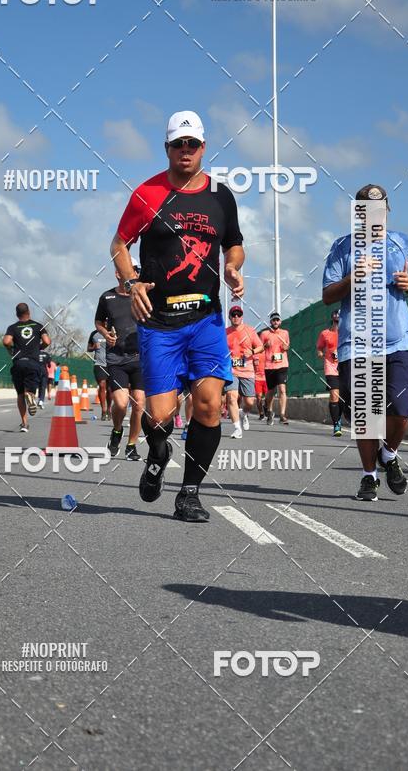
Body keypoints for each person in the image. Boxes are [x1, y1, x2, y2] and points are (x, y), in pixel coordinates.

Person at [110, 110, 244, 522]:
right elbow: (119, 244)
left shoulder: (222, 195)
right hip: (159, 321)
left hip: (205, 319)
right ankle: (157, 453)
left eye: (192, 144)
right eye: (177, 144)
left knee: (208, 406)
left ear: (204, 147)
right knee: (160, 418)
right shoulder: (146, 194)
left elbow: (234, 243)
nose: (185, 151)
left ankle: (189, 493)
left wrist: (233, 267)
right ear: (167, 148)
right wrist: (133, 283)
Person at [323, 183, 408, 501]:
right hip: (357, 344)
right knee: (366, 417)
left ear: (387, 211)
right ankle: (369, 477)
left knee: (401, 411)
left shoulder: (401, 242)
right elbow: (327, 296)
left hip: (397, 342)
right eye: (366, 211)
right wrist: (354, 278)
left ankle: (389, 455)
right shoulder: (342, 247)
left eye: (379, 211)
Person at [94, 268, 144, 460]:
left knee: (139, 403)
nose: (135, 275)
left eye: (137, 271)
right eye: (131, 271)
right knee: (121, 404)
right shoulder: (107, 297)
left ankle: (131, 445)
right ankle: (116, 431)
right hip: (116, 359)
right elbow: (99, 321)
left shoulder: (141, 296)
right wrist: (105, 334)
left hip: (139, 358)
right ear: (117, 273)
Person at [3, 303, 51, 432]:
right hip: (33, 362)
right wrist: (38, 348)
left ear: (17, 314)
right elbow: (47, 341)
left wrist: (11, 351)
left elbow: (6, 341)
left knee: (19, 394)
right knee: (29, 390)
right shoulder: (38, 326)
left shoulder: (13, 327)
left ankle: (24, 423)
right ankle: (30, 396)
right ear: (29, 312)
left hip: (18, 362)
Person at [225, 305, 262, 438]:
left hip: (247, 370)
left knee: (249, 402)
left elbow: (260, 347)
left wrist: (251, 351)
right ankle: (237, 428)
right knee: (231, 397)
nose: (236, 317)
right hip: (231, 370)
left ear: (242, 317)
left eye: (238, 315)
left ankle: (244, 414)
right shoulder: (225, 332)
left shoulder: (249, 331)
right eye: (233, 315)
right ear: (229, 317)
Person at [261, 312, 290, 425]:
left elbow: (287, 345)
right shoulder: (264, 334)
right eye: (274, 320)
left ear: (280, 321)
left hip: (282, 364)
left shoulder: (285, 333)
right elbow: (259, 348)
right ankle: (268, 409)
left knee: (282, 389)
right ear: (270, 322)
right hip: (269, 365)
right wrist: (265, 346)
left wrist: (285, 347)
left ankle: (282, 414)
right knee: (271, 391)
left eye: (277, 320)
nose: (276, 322)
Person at [317, 309, 343, 436]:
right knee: (334, 395)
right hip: (330, 367)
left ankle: (342, 417)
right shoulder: (325, 333)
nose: (337, 316)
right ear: (332, 317)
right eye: (335, 314)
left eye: (340, 314)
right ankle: (336, 424)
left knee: (344, 397)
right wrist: (321, 354)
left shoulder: (348, 332)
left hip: (345, 367)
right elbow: (319, 348)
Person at [87, 329, 112, 421]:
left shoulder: (113, 332)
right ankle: (103, 410)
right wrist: (93, 347)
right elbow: (88, 349)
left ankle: (109, 409)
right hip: (99, 364)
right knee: (102, 385)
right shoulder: (94, 334)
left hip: (111, 364)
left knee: (110, 389)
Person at [253, 329, 268, 420]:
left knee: (268, 397)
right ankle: (261, 413)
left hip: (267, 378)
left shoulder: (267, 353)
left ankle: (267, 408)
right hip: (257, 378)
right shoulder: (253, 354)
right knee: (258, 397)